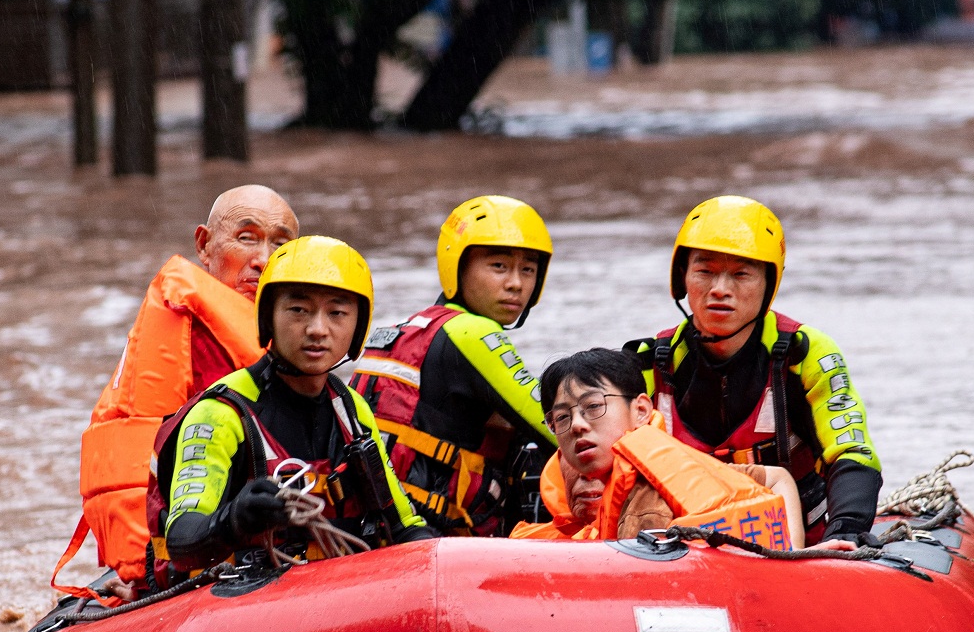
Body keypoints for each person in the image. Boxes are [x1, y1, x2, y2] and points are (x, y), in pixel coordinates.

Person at [52, 185, 299, 598]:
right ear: (204, 245)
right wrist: (147, 576)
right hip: (196, 549)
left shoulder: (305, 336)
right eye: (246, 238)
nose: (263, 260)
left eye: (281, 244)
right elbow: (140, 461)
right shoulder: (184, 330)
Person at [147, 236, 435, 586]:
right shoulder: (220, 413)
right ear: (268, 317)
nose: (317, 329)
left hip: (337, 593)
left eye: (337, 313)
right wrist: (234, 518)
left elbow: (405, 527)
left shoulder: (352, 410)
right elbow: (183, 541)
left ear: (358, 327)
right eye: (298, 310)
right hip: (238, 599)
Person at [624, 196, 883, 544]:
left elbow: (852, 453)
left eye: (741, 274)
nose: (720, 289)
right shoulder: (647, 361)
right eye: (705, 270)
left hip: (805, 541)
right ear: (682, 277)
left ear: (768, 284)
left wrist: (847, 532)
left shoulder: (806, 354)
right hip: (680, 545)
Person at [351, 196, 556, 536]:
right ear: (457, 268)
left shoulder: (410, 328)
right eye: (499, 267)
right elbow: (554, 424)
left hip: (374, 527)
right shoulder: (472, 333)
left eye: (528, 270)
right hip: (434, 538)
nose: (516, 284)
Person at [512, 349, 798, 548]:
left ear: (640, 411)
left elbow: (778, 479)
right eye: (561, 417)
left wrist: (793, 556)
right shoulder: (565, 480)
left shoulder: (667, 486)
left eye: (593, 407)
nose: (576, 425)